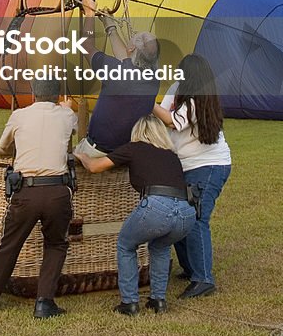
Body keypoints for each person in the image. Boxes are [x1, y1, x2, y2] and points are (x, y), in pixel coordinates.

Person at [0, 76, 77, 318]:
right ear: (57, 95)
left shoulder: (19, 115)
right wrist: (68, 108)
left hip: (26, 190)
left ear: (33, 94)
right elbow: (75, 131)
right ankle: (44, 302)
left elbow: (4, 145)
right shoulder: (66, 115)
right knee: (56, 244)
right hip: (57, 190)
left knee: (8, 246)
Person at [76, 114, 196, 315]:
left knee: (126, 244)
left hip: (157, 206)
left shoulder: (134, 148)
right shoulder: (171, 155)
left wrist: (81, 154)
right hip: (186, 212)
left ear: (137, 132)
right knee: (160, 246)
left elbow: (95, 167)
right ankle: (158, 300)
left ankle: (129, 303)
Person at [153, 52, 231, 298]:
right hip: (187, 166)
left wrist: (145, 101)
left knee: (196, 219)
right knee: (179, 219)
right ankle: (191, 268)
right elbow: (164, 113)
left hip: (209, 166)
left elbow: (173, 121)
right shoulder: (179, 89)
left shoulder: (199, 98)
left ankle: (204, 278)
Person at [74, 0, 160, 159]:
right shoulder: (153, 78)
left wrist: (89, 13)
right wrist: (110, 27)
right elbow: (126, 60)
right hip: (126, 152)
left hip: (98, 152)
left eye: (134, 37)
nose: (132, 34)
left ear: (132, 50)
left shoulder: (116, 72)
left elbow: (85, 45)